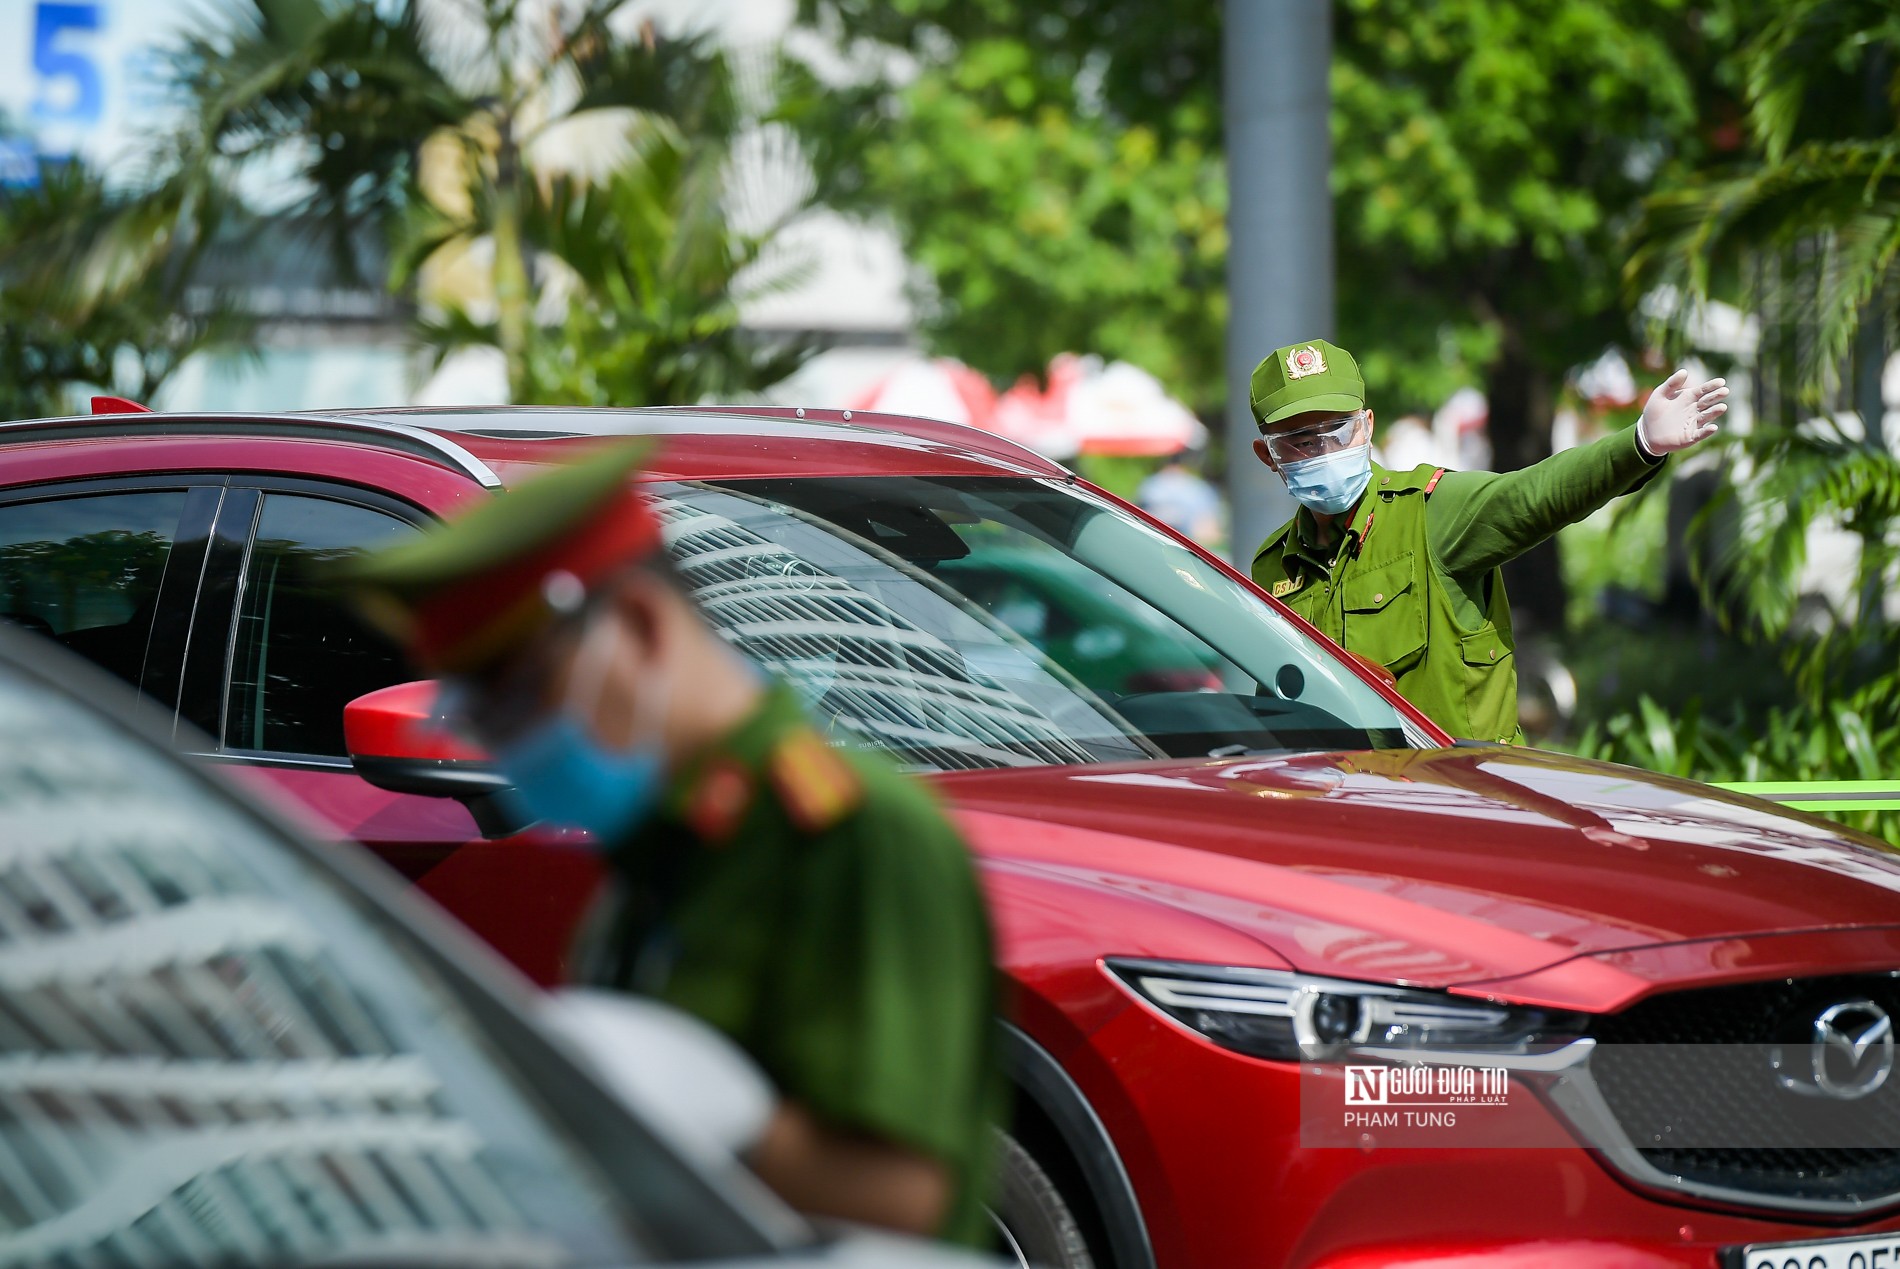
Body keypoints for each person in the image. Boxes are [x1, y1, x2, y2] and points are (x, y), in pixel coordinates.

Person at [341, 441, 1002, 1246]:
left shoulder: (854, 834)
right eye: (487, 719)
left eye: (524, 695)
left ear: (642, 624)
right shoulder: (657, 853)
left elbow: (903, 1197)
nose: (513, 745)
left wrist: (716, 1126)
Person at [1247, 338, 1727, 743]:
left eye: (1338, 430)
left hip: (1462, 808)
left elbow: (1536, 494)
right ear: (1266, 455)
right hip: (1343, 818)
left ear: (1368, 427)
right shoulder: (1272, 569)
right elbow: (1277, 710)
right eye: (1300, 442)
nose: (1324, 451)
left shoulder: (1430, 511)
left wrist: (1640, 442)